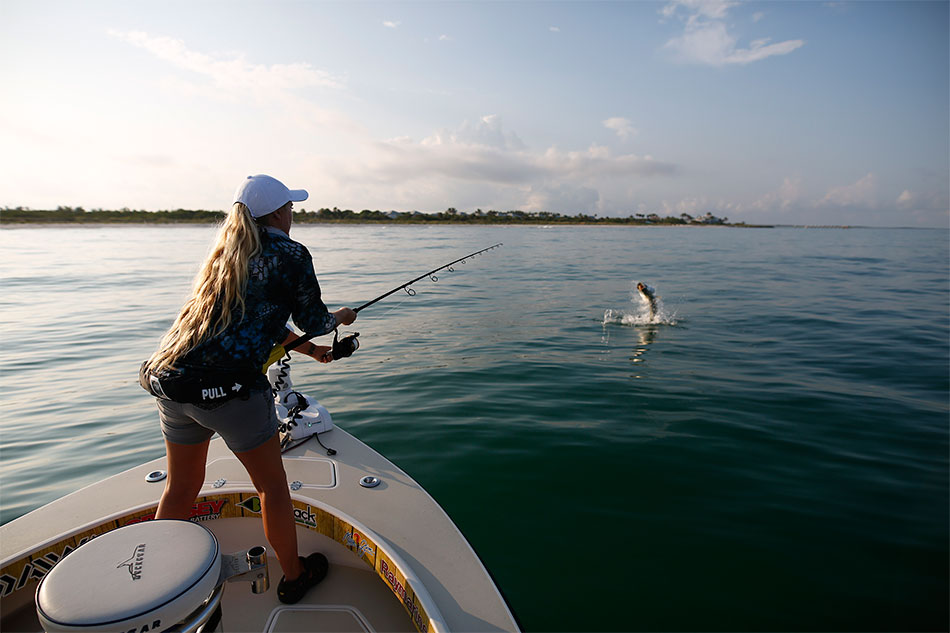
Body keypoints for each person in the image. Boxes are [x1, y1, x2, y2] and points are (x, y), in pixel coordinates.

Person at [141, 174, 357, 604]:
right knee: (272, 488)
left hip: (171, 381)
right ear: (277, 213)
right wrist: (340, 318)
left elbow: (260, 319)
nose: (293, 215)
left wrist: (312, 352)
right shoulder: (290, 253)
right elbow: (315, 318)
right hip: (228, 390)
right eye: (291, 208)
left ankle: (152, 583)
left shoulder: (226, 252)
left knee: (181, 488)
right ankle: (294, 576)